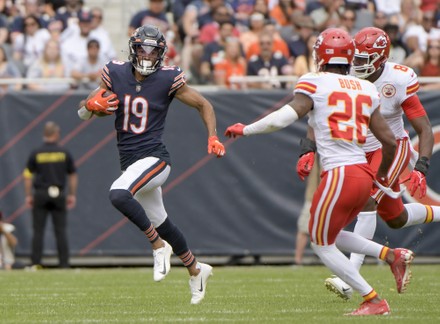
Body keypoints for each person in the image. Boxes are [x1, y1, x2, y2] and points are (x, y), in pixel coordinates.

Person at [224, 28, 413, 316]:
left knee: (320, 243)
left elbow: (286, 116)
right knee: (331, 233)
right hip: (362, 173)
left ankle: (373, 300)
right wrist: (382, 177)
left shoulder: (314, 81)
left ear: (320, 55)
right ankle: (391, 255)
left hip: (338, 174)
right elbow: (390, 141)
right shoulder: (365, 88)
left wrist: (246, 129)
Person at [76, 24, 225, 305]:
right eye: (142, 49)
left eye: (153, 51)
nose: (146, 56)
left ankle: (157, 246)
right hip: (131, 162)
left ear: (162, 54)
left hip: (155, 159)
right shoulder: (115, 73)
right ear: (133, 49)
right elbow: (83, 113)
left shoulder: (168, 78)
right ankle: (196, 269)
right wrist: (90, 106)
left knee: (118, 194)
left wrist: (213, 136)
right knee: (163, 222)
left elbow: (204, 104)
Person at [298, 27, 439, 300]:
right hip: (358, 150)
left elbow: (423, 128)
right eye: (356, 58)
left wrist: (421, 166)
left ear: (381, 58)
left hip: (391, 148)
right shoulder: (343, 74)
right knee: (396, 218)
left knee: (367, 203)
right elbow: (318, 116)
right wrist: (308, 149)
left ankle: (351, 279)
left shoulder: (398, 79)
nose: (357, 65)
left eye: (365, 59)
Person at [23, 121, 78, 269]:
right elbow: (72, 174)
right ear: (56, 133)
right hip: (59, 193)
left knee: (38, 230)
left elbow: (27, 176)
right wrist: (72, 194)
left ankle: (35, 263)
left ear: (44, 134)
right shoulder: (64, 152)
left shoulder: (36, 152)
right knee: (60, 230)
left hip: (40, 194)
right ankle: (64, 264)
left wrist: (28, 195)